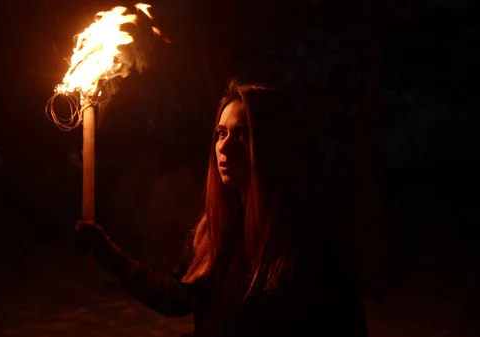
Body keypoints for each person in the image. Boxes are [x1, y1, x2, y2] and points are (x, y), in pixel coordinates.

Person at [75, 79, 368, 337]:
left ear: (272, 146)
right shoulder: (213, 230)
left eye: (242, 135)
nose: (224, 148)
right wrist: (108, 253)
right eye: (221, 133)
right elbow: (178, 296)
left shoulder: (309, 245)